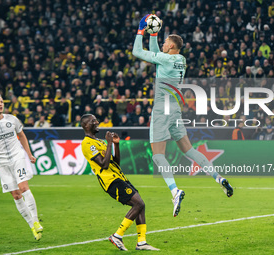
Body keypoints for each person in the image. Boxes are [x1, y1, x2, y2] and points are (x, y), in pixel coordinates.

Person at [133, 15, 233, 217]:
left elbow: (137, 51)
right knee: (189, 150)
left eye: (165, 41)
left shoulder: (167, 58)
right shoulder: (179, 59)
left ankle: (174, 190)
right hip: (175, 110)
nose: (162, 43)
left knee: (158, 155)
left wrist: (140, 30)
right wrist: (154, 33)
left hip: (161, 110)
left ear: (171, 45)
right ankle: (218, 177)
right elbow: (155, 54)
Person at [80, 114, 158, 251]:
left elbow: (115, 163)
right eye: (93, 121)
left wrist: (116, 144)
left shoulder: (99, 142)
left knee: (141, 205)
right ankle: (117, 236)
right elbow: (103, 165)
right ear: (86, 125)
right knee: (138, 203)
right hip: (110, 181)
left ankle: (141, 242)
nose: (97, 122)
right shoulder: (87, 143)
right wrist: (109, 142)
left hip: (119, 177)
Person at [0, 93, 43, 241]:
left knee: (23, 187)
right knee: (16, 195)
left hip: (17, 157)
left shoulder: (12, 119)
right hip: (1, 162)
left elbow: (22, 136)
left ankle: (36, 221)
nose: (0, 104)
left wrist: (29, 154)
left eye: (1, 102)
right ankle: (32, 227)